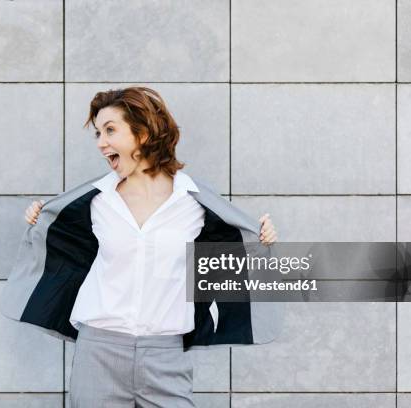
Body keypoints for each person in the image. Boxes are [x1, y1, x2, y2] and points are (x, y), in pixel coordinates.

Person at [23, 87, 277, 407]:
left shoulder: (194, 202)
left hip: (166, 356)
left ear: (142, 133)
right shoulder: (95, 202)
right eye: (99, 133)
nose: (101, 142)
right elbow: (59, 248)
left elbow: (232, 258)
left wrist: (261, 239)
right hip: (99, 352)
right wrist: (40, 221)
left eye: (111, 130)